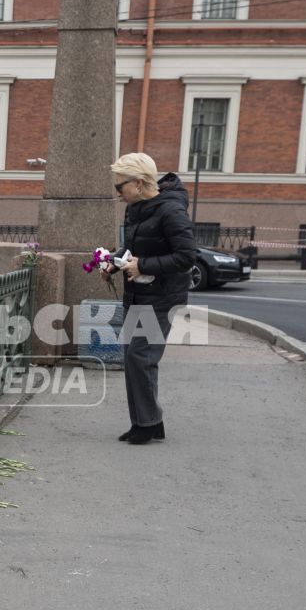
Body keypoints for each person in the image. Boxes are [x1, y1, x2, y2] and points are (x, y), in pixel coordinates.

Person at [109, 152, 196, 445]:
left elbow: (186, 257)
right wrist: (114, 260)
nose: (117, 192)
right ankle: (147, 422)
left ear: (139, 182)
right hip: (139, 293)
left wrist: (143, 265)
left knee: (140, 356)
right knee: (135, 358)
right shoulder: (137, 207)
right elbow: (132, 247)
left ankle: (147, 424)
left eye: (120, 186)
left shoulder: (171, 211)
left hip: (161, 296)